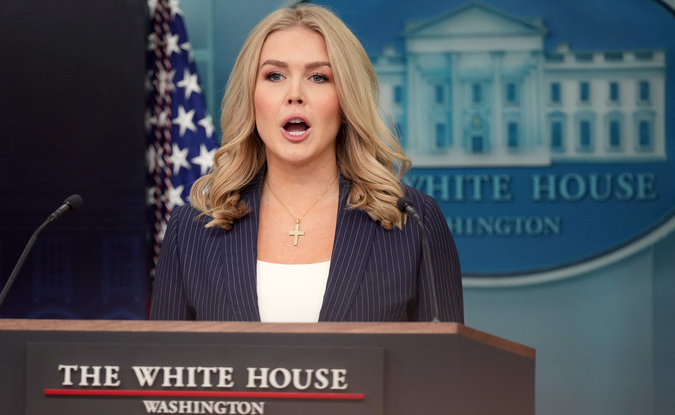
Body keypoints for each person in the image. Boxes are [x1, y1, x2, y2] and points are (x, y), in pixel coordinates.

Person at [150, 4, 463, 323]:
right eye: (274, 75)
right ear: (251, 97)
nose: (295, 94)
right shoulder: (191, 229)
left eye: (318, 77)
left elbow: (446, 367)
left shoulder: (414, 222)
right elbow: (164, 367)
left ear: (345, 102)